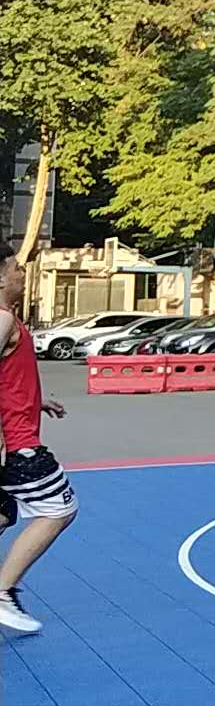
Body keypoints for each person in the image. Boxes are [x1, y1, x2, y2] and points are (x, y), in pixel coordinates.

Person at [0, 240, 76, 635]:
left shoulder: (9, 320)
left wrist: (34, 401)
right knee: (59, 509)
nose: (21, 273)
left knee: (3, 514)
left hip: (16, 433)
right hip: (17, 445)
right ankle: (2, 592)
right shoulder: (3, 320)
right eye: (15, 268)